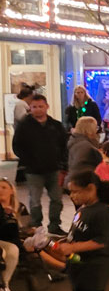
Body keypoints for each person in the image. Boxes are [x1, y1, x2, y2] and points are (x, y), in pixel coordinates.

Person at [12, 94, 68, 234]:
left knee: (56, 199)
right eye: (34, 107)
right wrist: (28, 160)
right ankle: (36, 225)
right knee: (35, 200)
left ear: (46, 106)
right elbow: (17, 146)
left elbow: (64, 146)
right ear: (30, 108)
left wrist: (63, 165)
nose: (37, 109)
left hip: (54, 168)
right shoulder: (24, 127)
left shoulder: (56, 126)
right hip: (33, 170)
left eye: (40, 106)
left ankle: (55, 225)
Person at [0, 178, 30, 291]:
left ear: (12, 191)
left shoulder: (20, 207)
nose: (0, 190)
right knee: (5, 252)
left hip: (14, 239)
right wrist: (6, 217)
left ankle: (4, 286)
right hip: (5, 239)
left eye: (3, 187)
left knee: (13, 250)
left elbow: (25, 227)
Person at [66, 116, 102, 182]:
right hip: (83, 181)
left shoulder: (74, 140)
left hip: (73, 179)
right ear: (89, 129)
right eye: (96, 127)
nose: (97, 130)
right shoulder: (86, 146)